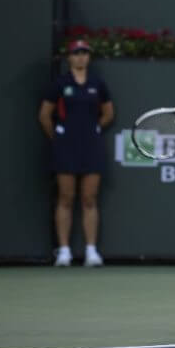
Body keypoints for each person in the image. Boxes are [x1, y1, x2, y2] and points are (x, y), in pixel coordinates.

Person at [38, 40, 114, 267]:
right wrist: (60, 138)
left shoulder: (97, 84)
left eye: (84, 53)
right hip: (66, 148)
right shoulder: (60, 84)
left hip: (91, 146)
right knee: (66, 198)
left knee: (90, 198)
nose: (81, 56)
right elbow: (44, 116)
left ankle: (91, 251)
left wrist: (93, 129)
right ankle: (64, 251)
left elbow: (108, 113)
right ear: (69, 58)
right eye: (76, 53)